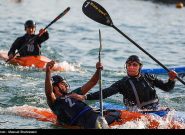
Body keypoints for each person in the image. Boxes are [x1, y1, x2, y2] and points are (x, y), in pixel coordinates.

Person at [71, 55, 178, 112]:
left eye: (135, 65)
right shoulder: (123, 83)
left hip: (156, 108)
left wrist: (171, 79)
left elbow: (167, 88)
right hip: (137, 112)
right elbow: (106, 92)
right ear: (126, 66)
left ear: (140, 67)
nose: (131, 67)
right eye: (129, 64)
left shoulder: (149, 77)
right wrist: (85, 97)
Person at [45, 61, 120, 129]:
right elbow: (49, 93)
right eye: (62, 84)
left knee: (116, 112)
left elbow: (92, 82)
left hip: (94, 115)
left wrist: (98, 70)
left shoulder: (73, 93)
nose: (65, 86)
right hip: (87, 122)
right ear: (55, 87)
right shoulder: (55, 103)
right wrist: (48, 72)